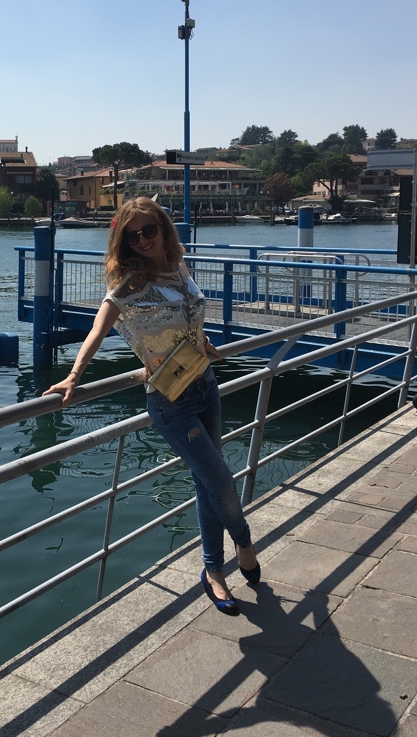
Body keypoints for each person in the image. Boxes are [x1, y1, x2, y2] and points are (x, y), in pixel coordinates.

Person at [43, 197, 259, 615]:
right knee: (222, 482)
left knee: (207, 483)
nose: (142, 240)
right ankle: (245, 545)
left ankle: (213, 572)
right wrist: (73, 376)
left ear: (163, 228)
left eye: (148, 230)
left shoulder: (178, 265)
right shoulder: (129, 285)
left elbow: (188, 311)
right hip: (170, 401)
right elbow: (97, 329)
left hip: (205, 384)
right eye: (132, 236)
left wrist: (200, 340)